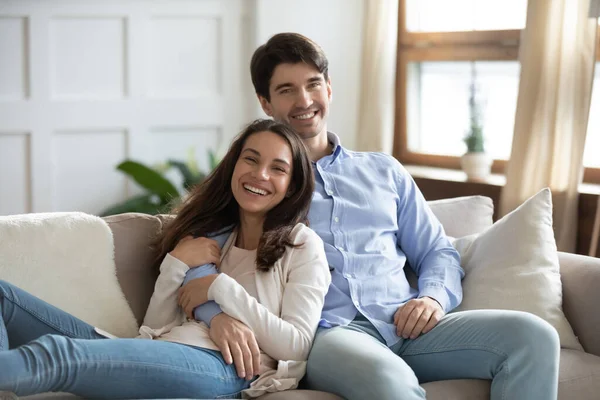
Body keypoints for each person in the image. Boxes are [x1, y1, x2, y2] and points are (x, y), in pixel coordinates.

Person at [190, 33, 561, 400]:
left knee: (533, 336)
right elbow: (198, 259)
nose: (304, 100)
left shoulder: (385, 171)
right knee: (389, 380)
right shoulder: (259, 183)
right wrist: (217, 316)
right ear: (266, 103)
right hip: (331, 335)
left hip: (409, 326)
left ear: (329, 89)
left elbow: (436, 251)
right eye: (286, 89)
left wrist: (432, 299)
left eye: (313, 84)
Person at [0, 118, 330, 399]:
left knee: (58, 358)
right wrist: (175, 264)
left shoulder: (301, 245)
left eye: (278, 168)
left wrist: (219, 287)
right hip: (164, 351)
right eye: (251, 159)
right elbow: (154, 327)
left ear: (291, 186)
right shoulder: (213, 238)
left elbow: (297, 345)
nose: (260, 174)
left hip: (223, 365)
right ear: (234, 166)